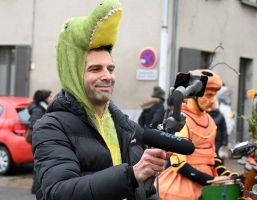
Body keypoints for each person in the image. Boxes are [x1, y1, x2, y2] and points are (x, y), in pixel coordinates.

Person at [32, 0, 171, 199]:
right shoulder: (50, 127)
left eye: (110, 69)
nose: (107, 76)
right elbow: (58, 192)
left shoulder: (129, 128)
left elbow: (147, 192)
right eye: (95, 69)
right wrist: (131, 175)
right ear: (74, 75)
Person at [157, 69, 238, 200]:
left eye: (214, 95)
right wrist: (212, 180)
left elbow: (213, 156)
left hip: (209, 182)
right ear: (194, 95)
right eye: (208, 95)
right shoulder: (181, 120)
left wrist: (228, 175)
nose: (213, 101)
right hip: (184, 184)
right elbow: (179, 164)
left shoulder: (210, 121)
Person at [27, 89, 52, 194]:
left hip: (41, 138)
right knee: (39, 163)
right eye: (50, 96)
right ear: (45, 98)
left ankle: (36, 187)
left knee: (38, 163)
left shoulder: (43, 107)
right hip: (39, 139)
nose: (52, 98)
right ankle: (37, 188)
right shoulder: (38, 109)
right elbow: (35, 125)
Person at [208, 97, 228, 164]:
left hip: (218, 141)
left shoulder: (220, 116)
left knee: (218, 158)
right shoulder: (206, 115)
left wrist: (224, 142)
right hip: (208, 140)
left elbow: (224, 129)